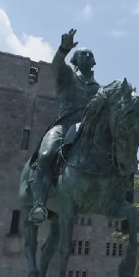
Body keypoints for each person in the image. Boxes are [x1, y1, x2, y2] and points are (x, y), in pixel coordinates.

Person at [27, 29, 101, 223]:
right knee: (46, 155)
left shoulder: (99, 90)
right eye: (82, 54)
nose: (87, 56)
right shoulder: (67, 76)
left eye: (90, 55)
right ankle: (39, 204)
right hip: (65, 125)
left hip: (88, 131)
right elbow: (57, 65)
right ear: (75, 60)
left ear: (94, 63)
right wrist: (63, 49)